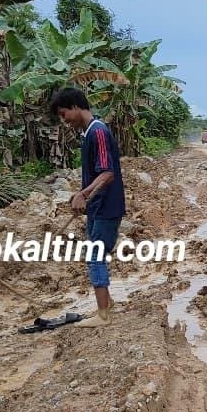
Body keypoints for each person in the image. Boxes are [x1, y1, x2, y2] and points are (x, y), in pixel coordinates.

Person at [49, 87, 126, 326]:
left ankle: (103, 315)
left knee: (95, 257)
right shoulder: (89, 134)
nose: (64, 121)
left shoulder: (98, 132)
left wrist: (83, 193)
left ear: (74, 106)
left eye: (64, 114)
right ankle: (107, 303)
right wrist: (81, 195)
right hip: (98, 206)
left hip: (106, 207)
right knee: (95, 255)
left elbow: (107, 173)